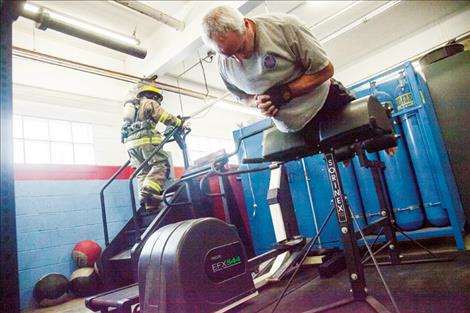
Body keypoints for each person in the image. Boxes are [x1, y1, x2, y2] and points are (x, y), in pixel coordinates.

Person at [201, 5, 356, 143]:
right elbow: (243, 98)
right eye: (229, 55)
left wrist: (285, 93)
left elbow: (326, 70)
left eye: (240, 48)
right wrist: (259, 103)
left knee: (362, 145)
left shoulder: (285, 27)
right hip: (292, 127)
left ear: (246, 24)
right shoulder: (223, 66)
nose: (239, 58)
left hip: (326, 104)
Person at [121, 84, 184, 210]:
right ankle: (150, 192)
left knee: (143, 171)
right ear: (154, 96)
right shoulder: (149, 102)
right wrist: (179, 122)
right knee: (162, 164)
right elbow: (163, 116)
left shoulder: (134, 108)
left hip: (131, 145)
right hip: (146, 141)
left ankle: (147, 202)